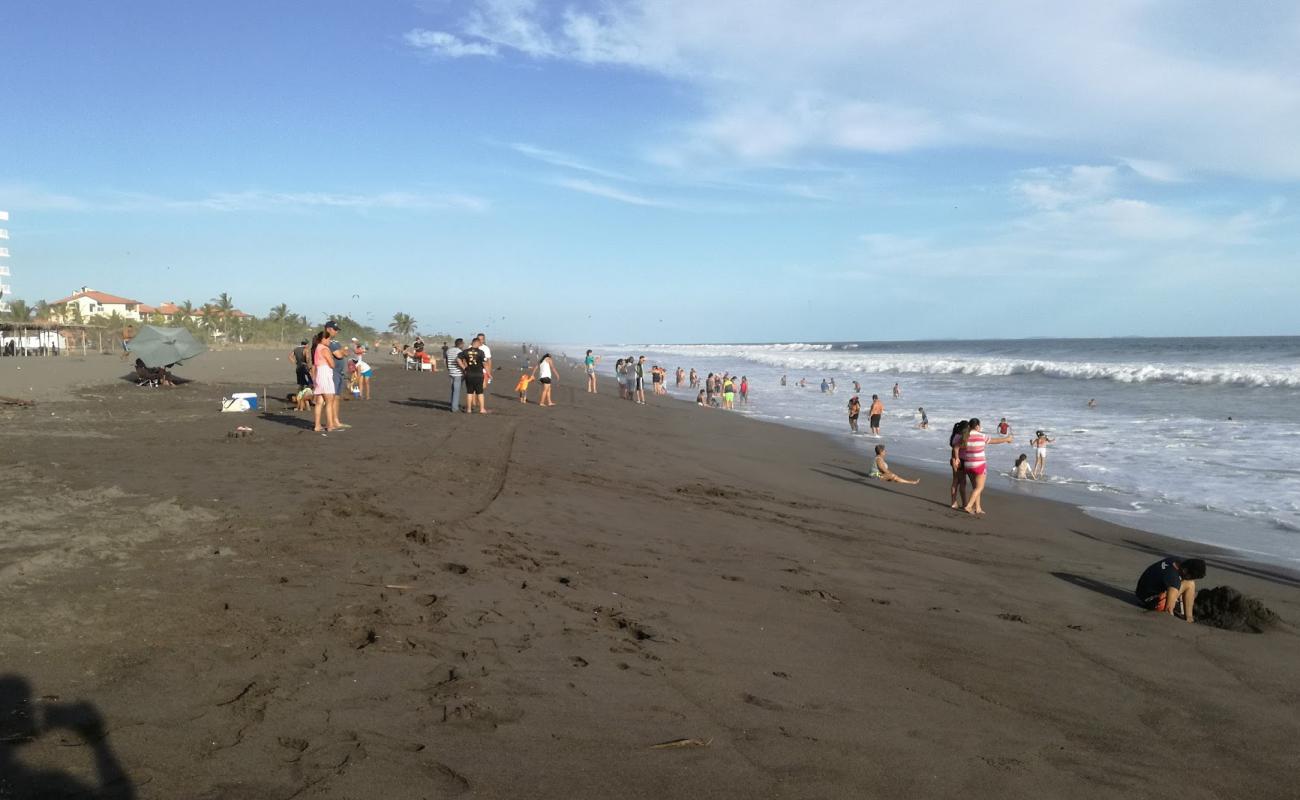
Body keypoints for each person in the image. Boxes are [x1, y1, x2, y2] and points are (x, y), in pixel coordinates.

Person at [959, 418, 1016, 515]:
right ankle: (969, 506)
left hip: (968, 464)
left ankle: (978, 508)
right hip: (979, 465)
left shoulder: (965, 436)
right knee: (979, 487)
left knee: (975, 487)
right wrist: (1007, 439)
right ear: (977, 426)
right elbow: (995, 440)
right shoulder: (981, 436)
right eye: (980, 426)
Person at [1135, 557, 1206, 622]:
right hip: (1148, 600)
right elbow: (1168, 610)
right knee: (1190, 584)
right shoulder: (1173, 579)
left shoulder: (1175, 560)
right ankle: (1189, 618)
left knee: (1188, 583)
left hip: (1142, 591)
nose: (1191, 578)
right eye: (1191, 577)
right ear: (1185, 570)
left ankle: (1188, 616)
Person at [310, 330, 339, 432]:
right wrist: (331, 357)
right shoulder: (324, 349)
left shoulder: (316, 348)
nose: (330, 341)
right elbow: (332, 364)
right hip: (325, 374)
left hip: (319, 375)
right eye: (328, 339)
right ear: (323, 339)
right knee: (329, 401)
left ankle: (317, 426)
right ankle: (330, 425)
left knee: (319, 402)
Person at [325, 321, 349, 429]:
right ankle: (331, 422)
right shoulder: (327, 341)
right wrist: (342, 351)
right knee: (331, 397)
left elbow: (346, 353)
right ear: (328, 329)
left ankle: (336, 420)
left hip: (340, 372)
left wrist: (342, 351)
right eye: (335, 330)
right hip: (332, 372)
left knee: (337, 397)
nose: (336, 332)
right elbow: (339, 355)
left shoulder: (335, 342)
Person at [458, 338, 488, 414]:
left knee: (469, 392)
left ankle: (469, 409)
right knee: (480, 392)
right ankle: (482, 409)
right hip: (478, 375)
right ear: (477, 343)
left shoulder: (466, 351)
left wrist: (463, 367)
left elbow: (458, 358)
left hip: (469, 374)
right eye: (480, 344)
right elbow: (484, 363)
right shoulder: (481, 352)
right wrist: (488, 373)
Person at [949, 420, 969, 509]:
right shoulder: (961, 437)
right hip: (959, 461)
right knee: (962, 482)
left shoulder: (955, 436)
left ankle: (953, 502)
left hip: (953, 459)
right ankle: (965, 503)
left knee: (955, 481)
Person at [445, 337, 464, 412]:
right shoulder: (459, 351)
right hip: (458, 373)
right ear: (461, 344)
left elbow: (446, 360)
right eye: (463, 343)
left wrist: (448, 368)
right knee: (457, 390)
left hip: (451, 372)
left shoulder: (449, 350)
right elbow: (460, 361)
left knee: (453, 389)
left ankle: (453, 405)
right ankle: (454, 408)